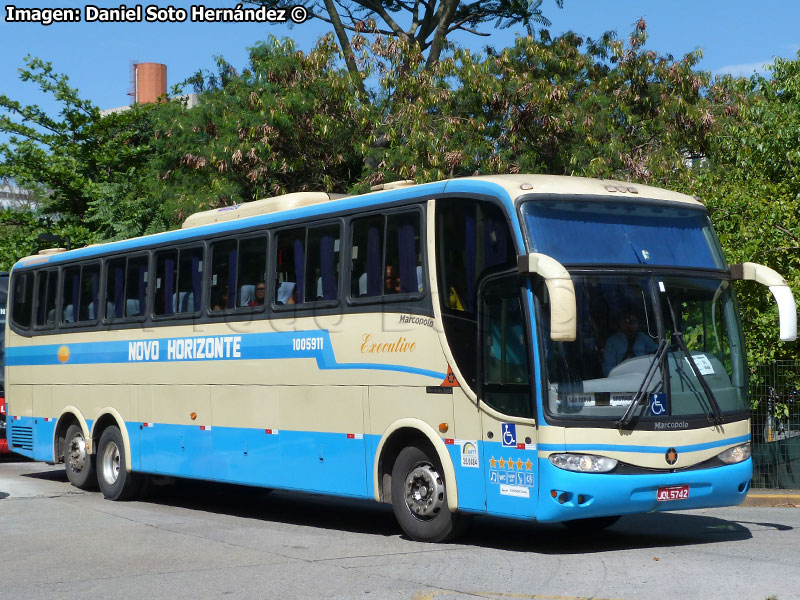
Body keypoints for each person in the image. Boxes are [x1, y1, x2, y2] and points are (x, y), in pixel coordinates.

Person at [602, 311, 658, 375]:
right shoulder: (612, 341)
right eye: (631, 322)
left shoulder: (642, 337)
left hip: (644, 375)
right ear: (622, 324)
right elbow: (608, 367)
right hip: (623, 377)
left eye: (636, 322)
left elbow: (657, 351)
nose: (636, 325)